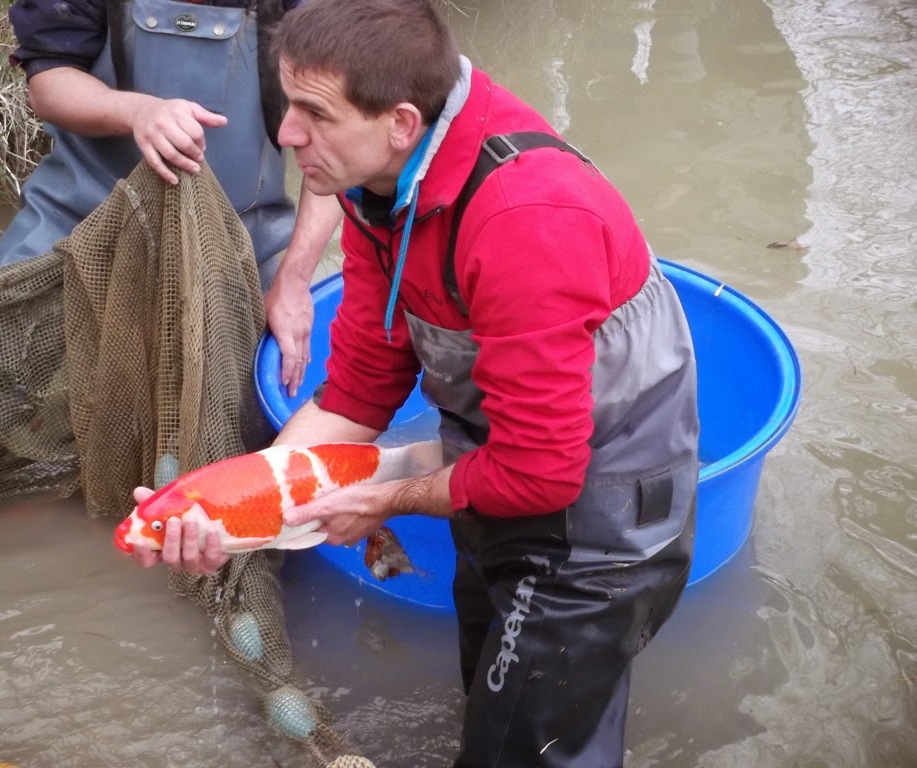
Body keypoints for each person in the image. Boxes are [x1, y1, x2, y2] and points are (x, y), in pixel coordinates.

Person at [129, 0, 700, 764]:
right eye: (285, 101)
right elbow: (360, 393)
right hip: (495, 466)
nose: (286, 135)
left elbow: (542, 474)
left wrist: (385, 499)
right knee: (494, 700)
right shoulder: (380, 184)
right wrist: (227, 511)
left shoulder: (527, 221)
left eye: (313, 113)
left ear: (400, 121)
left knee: (521, 747)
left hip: (599, 509)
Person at [0, 0, 343, 395]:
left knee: (268, 390)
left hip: (242, 241)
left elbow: (342, 144)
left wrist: (295, 280)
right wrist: (137, 112)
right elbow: (49, 79)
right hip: (77, 214)